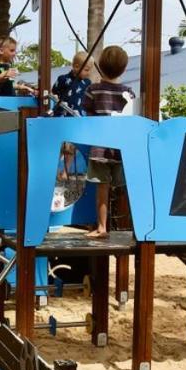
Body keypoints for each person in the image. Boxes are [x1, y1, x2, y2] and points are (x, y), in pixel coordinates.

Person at [82, 46, 135, 238]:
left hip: (99, 148)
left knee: (102, 188)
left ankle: (102, 227)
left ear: (100, 66)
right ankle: (131, 226)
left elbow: (87, 116)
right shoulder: (128, 92)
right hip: (122, 148)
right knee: (124, 187)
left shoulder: (93, 90)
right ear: (123, 69)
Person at [52, 51, 93, 117]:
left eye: (91, 70)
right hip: (63, 115)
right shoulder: (62, 79)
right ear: (76, 67)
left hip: (80, 116)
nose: (89, 73)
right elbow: (54, 92)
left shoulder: (87, 82)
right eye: (87, 70)